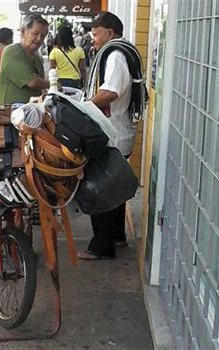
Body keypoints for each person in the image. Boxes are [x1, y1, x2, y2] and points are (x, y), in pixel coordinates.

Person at [78, 12, 135, 260]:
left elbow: (110, 92)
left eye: (96, 34)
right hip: (118, 132)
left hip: (112, 134)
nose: (94, 40)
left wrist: (84, 107)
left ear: (110, 32)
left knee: (99, 189)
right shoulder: (117, 52)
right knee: (114, 188)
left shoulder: (115, 55)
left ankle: (102, 245)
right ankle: (117, 236)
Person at [0, 15, 50, 105]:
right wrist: (53, 84)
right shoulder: (12, 51)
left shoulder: (37, 57)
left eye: (43, 36)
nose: (39, 39)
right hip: (10, 114)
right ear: (23, 32)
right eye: (35, 33)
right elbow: (33, 82)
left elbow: (41, 86)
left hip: (30, 113)